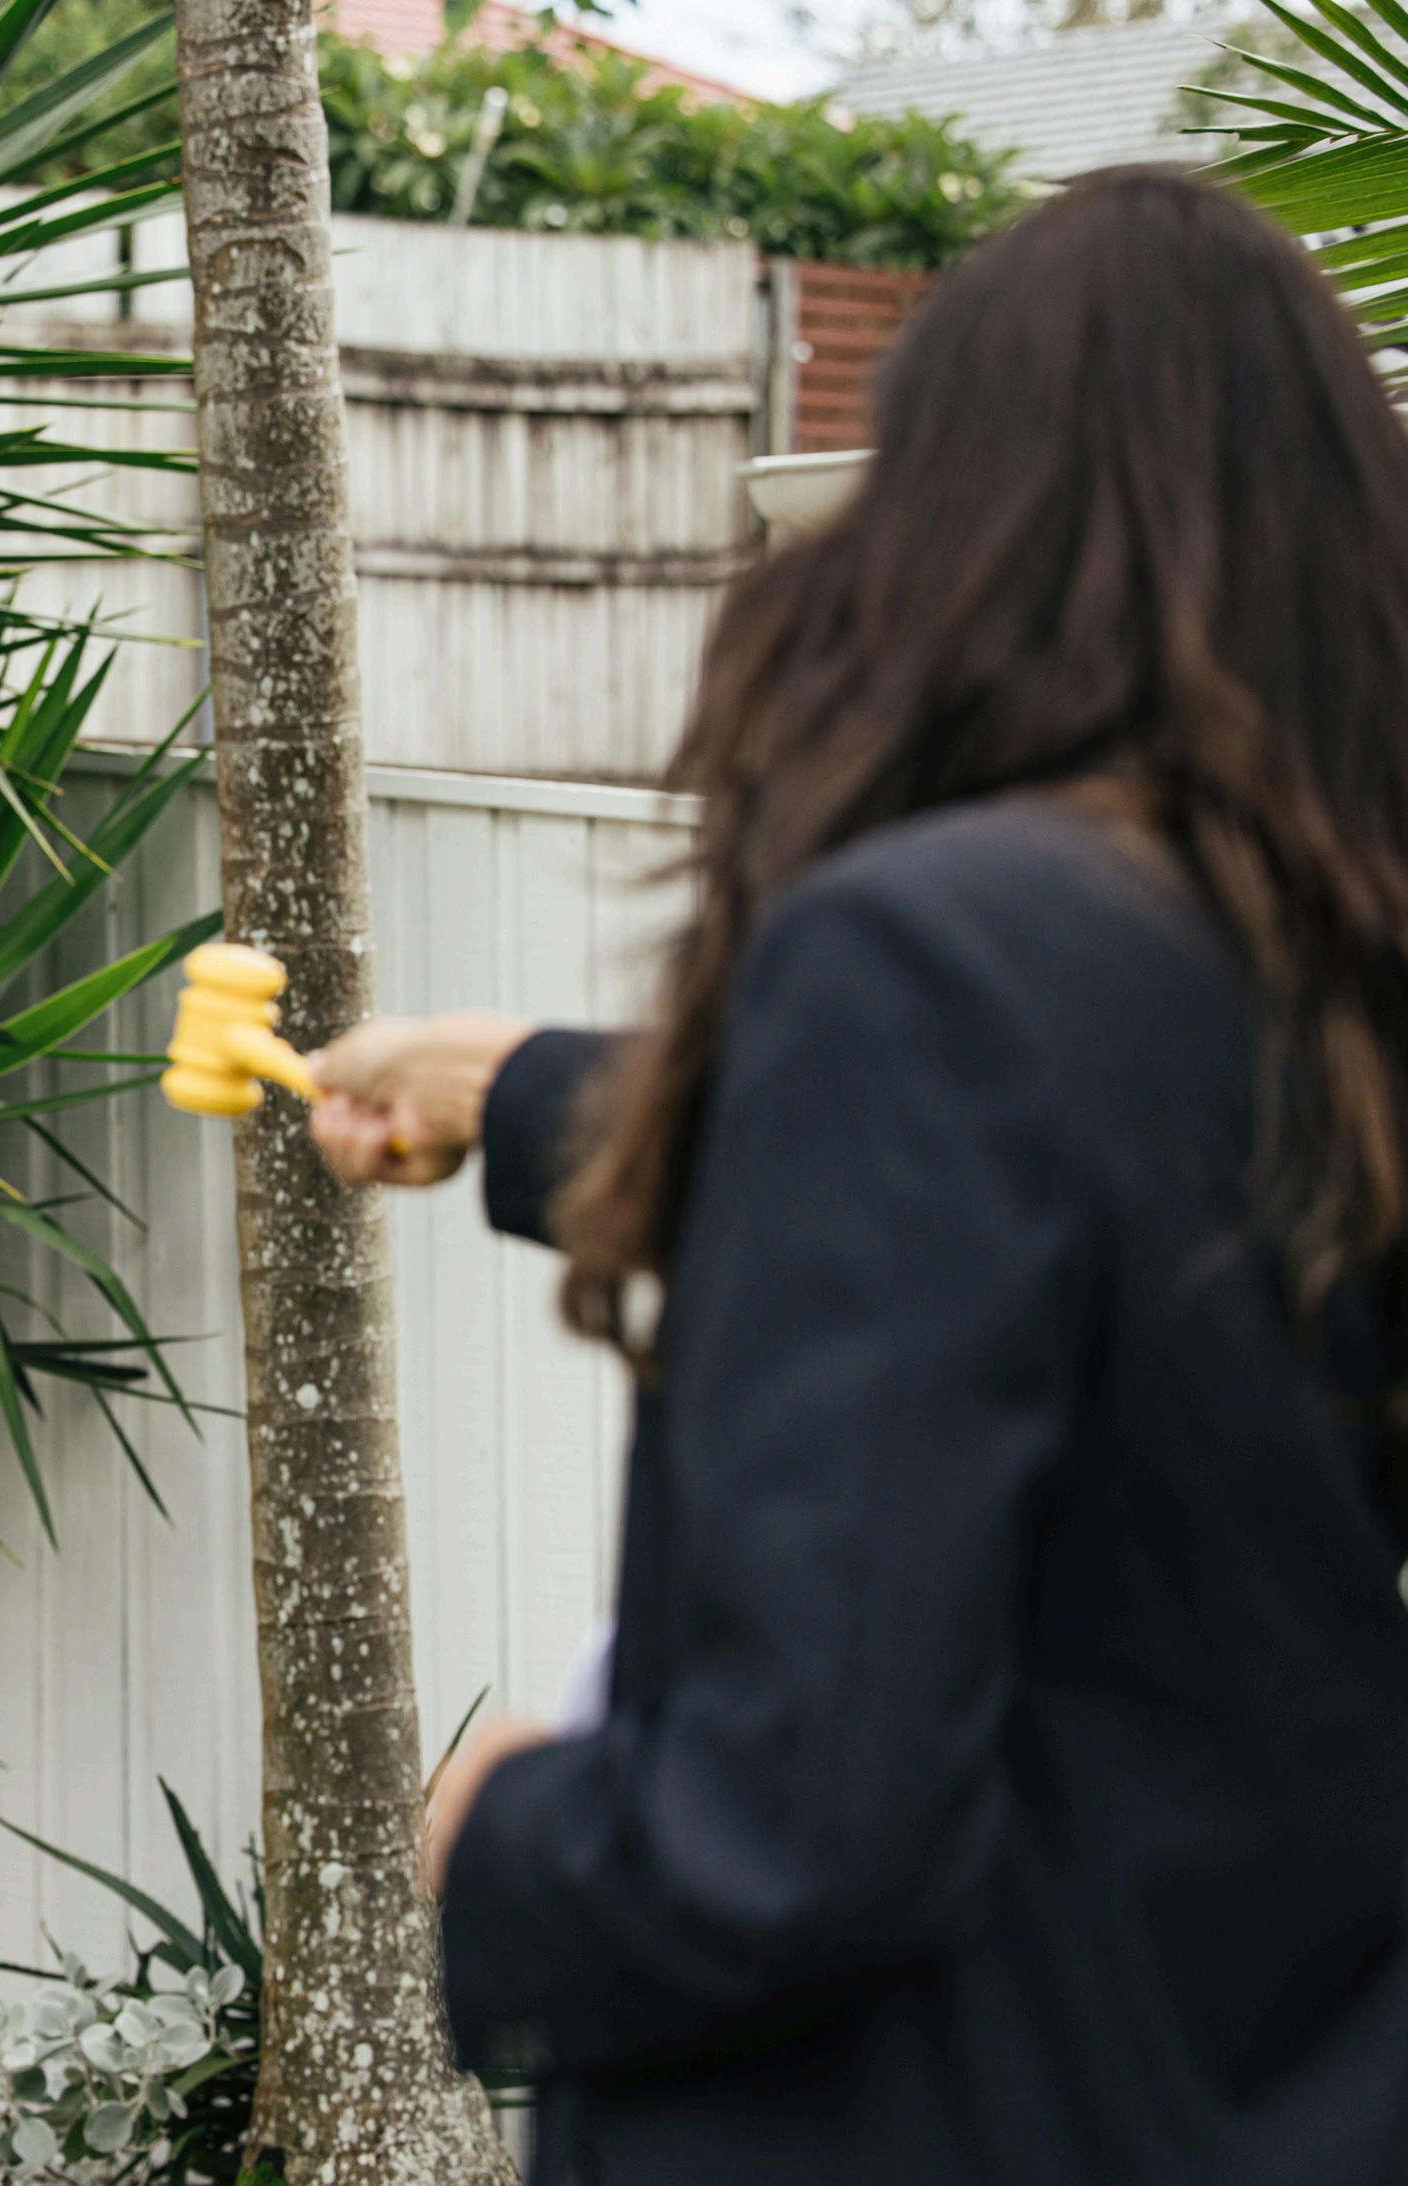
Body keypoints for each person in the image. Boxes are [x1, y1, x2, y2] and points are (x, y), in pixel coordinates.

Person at [306, 168, 1408, 2182]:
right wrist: (532, 1089)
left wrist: (513, 1843)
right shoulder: (1325, 966)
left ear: (967, 516)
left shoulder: (917, 955)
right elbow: (1111, 1214)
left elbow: (796, 1824)